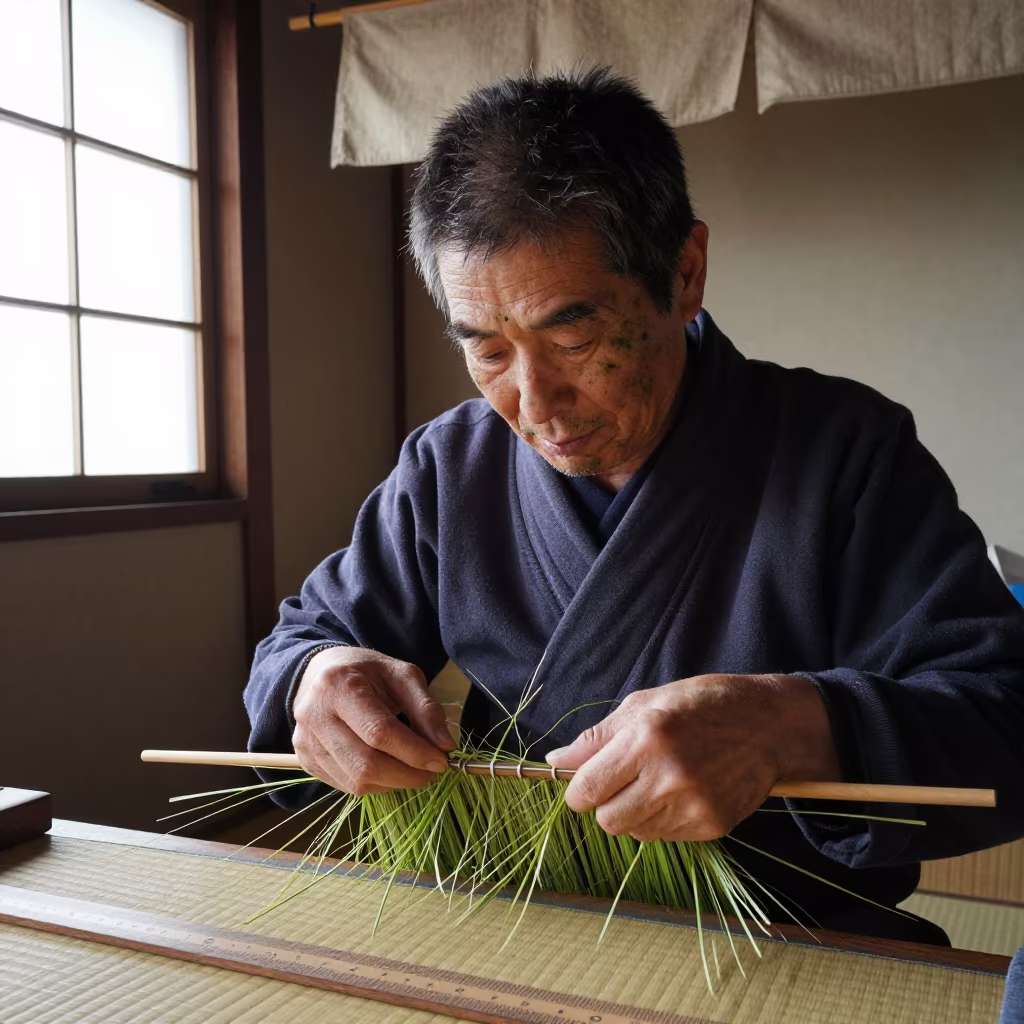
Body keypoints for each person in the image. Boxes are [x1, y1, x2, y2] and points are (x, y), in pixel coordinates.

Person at [244, 67, 1024, 944]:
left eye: (573, 337)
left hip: (794, 939)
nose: (534, 402)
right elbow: (299, 643)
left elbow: (1004, 715)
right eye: (488, 351)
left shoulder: (848, 454)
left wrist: (789, 728)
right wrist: (313, 682)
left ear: (684, 273)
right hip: (514, 921)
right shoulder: (448, 467)